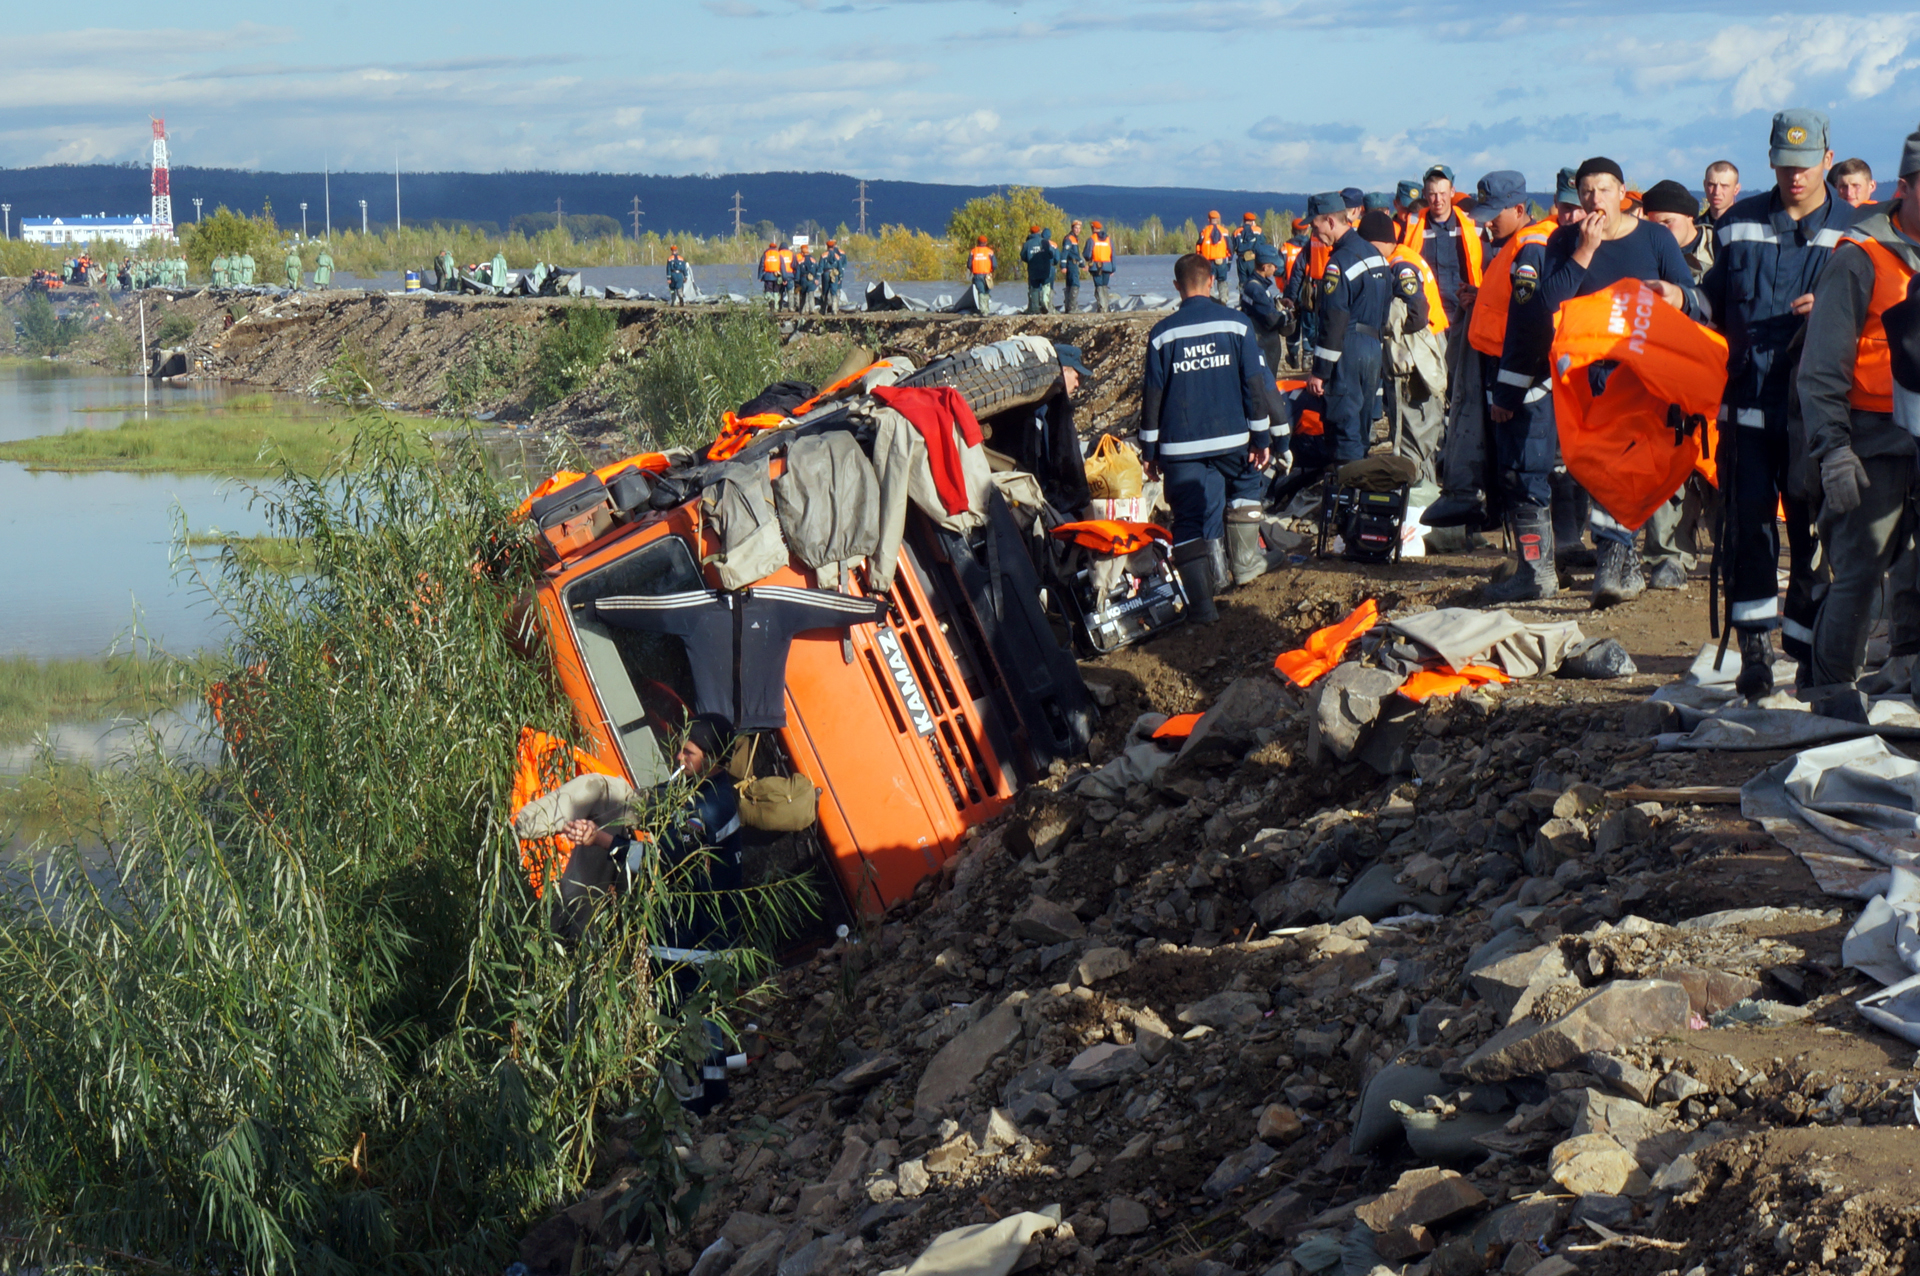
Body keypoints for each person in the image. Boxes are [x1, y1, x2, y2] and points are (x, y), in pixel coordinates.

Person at [1708, 109, 1852, 694]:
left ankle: (1809, 647)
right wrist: (1677, 296)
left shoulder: (1857, 232)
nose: (1795, 177)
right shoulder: (1736, 224)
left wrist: (1835, 308)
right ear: (1771, 161)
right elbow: (1714, 299)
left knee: (1815, 533)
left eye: (1806, 165)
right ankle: (1756, 651)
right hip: (1746, 406)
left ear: (1827, 159)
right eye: (1785, 165)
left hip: (1816, 414)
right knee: (1749, 530)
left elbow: (1879, 320)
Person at [1537, 156, 1707, 607]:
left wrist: (1676, 296)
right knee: (1598, 468)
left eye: (1604, 190)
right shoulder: (1564, 241)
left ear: (1622, 193)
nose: (1595, 200)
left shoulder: (1654, 237)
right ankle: (1619, 559)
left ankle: (1625, 559)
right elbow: (1549, 301)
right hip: (1586, 378)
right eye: (1587, 191)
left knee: (1640, 466)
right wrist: (1585, 252)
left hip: (1646, 376)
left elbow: (1692, 296)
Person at [560, 714, 746, 1114]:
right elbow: (649, 802)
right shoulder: (691, 787)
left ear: (713, 759)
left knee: (691, 1016)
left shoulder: (711, 806)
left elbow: (661, 862)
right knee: (690, 1016)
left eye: (689, 751)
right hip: (680, 933)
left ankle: (699, 1106)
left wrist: (602, 839)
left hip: (698, 936)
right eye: (680, 746)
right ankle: (703, 1099)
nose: (679, 755)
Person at [1798, 126, 1920, 692]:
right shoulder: (1862, 256)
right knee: (1861, 570)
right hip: (1873, 433)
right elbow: (1822, 367)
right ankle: (1830, 698)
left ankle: (1911, 671)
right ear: (1907, 187)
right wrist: (1834, 450)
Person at [1139, 252, 1275, 624]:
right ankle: (1245, 567)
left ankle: (1202, 608)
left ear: (1177, 287)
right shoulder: (1237, 324)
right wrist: (1261, 437)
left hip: (1180, 449)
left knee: (1187, 517)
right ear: (1212, 281)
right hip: (1233, 438)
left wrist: (1148, 451)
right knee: (1248, 481)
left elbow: (1153, 394)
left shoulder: (1162, 334)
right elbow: (1253, 383)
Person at [1307, 192, 1391, 468]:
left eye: (1315, 224)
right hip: (1372, 347)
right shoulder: (1374, 255)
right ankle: (1360, 489)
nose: (1314, 231)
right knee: (1362, 425)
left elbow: (1334, 320)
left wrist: (1320, 371)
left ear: (1330, 221)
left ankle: (1347, 498)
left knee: (1344, 429)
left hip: (1349, 348)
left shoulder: (1338, 262)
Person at [1381, 210, 1447, 492]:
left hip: (1419, 348)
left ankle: (1421, 493)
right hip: (1431, 340)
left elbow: (1417, 314)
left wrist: (1389, 325)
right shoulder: (1405, 255)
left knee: (1414, 423)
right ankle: (1426, 486)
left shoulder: (1400, 265)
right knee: (1426, 423)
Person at [1398, 164, 1483, 372]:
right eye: (1433, 194)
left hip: (1464, 313)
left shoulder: (1472, 224)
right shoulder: (1413, 225)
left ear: (1452, 192)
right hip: (1429, 316)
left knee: (1464, 376)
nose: (1438, 200)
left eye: (1443, 194)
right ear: (1426, 194)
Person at [1239, 238, 1292, 379]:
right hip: (1264, 344)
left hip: (1262, 343)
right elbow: (1272, 319)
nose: (1276, 269)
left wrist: (1278, 302)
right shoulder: (1256, 289)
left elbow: (1259, 307)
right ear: (1265, 267)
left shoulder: (1252, 284)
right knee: (1266, 382)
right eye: (1273, 266)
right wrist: (1289, 316)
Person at [1021, 225, 1057, 314]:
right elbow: (1051, 254)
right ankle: (1045, 303)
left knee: (1034, 288)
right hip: (1045, 268)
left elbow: (1023, 256)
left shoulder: (1027, 244)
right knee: (1046, 286)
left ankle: (1035, 309)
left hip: (1033, 269)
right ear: (1039, 232)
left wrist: (1030, 260)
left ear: (1030, 232)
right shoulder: (1045, 242)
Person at [1196, 211, 1233, 300]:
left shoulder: (1204, 232)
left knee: (1209, 282)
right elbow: (1230, 246)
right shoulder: (1224, 231)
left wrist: (1199, 259)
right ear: (1218, 219)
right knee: (1222, 282)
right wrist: (1229, 260)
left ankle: (1211, 301)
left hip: (1207, 262)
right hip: (1221, 261)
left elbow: (1198, 247)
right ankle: (1223, 301)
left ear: (1209, 220)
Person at [1085, 221, 1116, 312]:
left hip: (1096, 266)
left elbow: (1087, 254)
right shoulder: (1108, 239)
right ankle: (1105, 306)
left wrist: (1088, 260)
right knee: (1104, 286)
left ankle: (1102, 307)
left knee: (1098, 286)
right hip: (1107, 266)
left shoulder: (1092, 239)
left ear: (1093, 228)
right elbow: (1113, 255)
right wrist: (1113, 268)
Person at [1232, 213, 1264, 295]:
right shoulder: (1258, 230)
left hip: (1241, 260)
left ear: (1243, 220)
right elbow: (1262, 244)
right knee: (1255, 281)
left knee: (1243, 283)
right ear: (1253, 221)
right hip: (1253, 259)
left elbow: (1232, 246)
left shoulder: (1237, 232)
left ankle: (1243, 301)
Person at [1704, 160, 1742, 228]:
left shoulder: (1746, 226)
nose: (1716, 192)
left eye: (1724, 186)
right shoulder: (1695, 229)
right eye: (1712, 185)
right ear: (1705, 185)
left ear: (1736, 189)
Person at [1059, 219, 1085, 314]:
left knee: (1070, 285)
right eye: (1076, 228)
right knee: (1074, 284)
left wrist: (1082, 264)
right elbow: (1065, 253)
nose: (1078, 230)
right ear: (1072, 228)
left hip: (1074, 263)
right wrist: (1063, 266)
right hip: (1071, 264)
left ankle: (1069, 307)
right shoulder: (1069, 239)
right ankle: (1072, 308)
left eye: (1079, 228)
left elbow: (1076, 254)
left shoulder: (1074, 239)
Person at [967, 235, 997, 313]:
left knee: (981, 292)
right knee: (987, 291)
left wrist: (972, 269)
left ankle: (983, 310)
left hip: (977, 275)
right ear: (986, 243)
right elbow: (994, 265)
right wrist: (991, 271)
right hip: (988, 275)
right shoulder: (990, 252)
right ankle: (986, 310)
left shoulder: (973, 251)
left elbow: (969, 265)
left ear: (978, 242)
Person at [820, 239, 846, 313]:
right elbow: (840, 268)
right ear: (833, 246)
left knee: (825, 292)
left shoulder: (823, 255)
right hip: (835, 275)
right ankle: (834, 310)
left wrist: (817, 276)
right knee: (834, 292)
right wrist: (840, 277)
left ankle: (823, 310)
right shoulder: (837, 256)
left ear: (827, 246)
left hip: (826, 274)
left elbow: (820, 267)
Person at [793, 243, 817, 314]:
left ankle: (802, 310)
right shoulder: (813, 260)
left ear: (802, 252)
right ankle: (812, 309)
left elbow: (798, 272)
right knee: (811, 294)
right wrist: (816, 278)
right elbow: (817, 269)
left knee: (803, 295)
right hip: (811, 279)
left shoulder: (800, 261)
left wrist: (797, 281)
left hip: (803, 279)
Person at [758, 241, 784, 307]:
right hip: (777, 276)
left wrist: (760, 276)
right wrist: (784, 276)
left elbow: (761, 265)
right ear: (775, 247)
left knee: (767, 291)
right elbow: (782, 266)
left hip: (767, 276)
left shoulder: (765, 254)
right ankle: (776, 307)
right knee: (776, 291)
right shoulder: (778, 254)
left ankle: (771, 299)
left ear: (769, 247)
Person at [777, 242, 796, 310]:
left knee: (780, 292)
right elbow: (794, 265)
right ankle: (791, 307)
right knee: (790, 292)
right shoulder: (791, 254)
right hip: (790, 275)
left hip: (780, 275)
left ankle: (779, 307)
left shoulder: (778, 254)